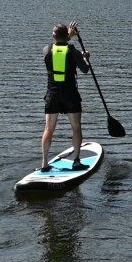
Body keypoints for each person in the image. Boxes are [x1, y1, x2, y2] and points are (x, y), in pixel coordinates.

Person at [39, 21, 92, 172]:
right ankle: (76, 160)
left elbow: (60, 46)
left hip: (52, 95)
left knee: (49, 129)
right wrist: (85, 57)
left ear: (53, 36)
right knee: (76, 127)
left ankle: (44, 164)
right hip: (70, 95)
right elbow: (85, 70)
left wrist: (68, 36)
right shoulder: (74, 52)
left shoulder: (46, 50)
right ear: (66, 36)